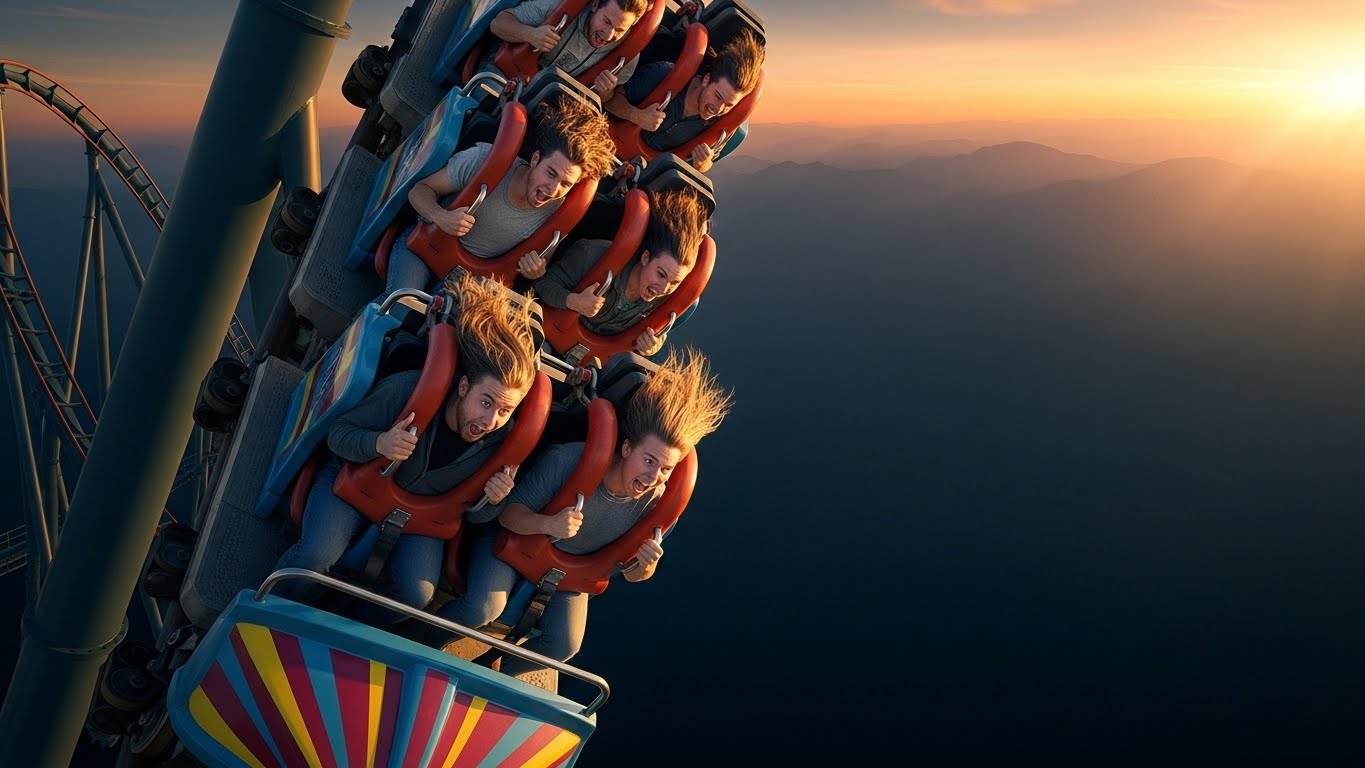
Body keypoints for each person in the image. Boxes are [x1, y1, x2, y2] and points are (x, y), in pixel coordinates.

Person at [432, 348, 732, 676]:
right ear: (627, 448)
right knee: (483, 607)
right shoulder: (569, 460)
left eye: (665, 469)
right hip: (518, 539)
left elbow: (631, 574)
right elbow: (508, 515)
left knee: (565, 644)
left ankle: (490, 676)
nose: (652, 477)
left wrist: (646, 567)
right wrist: (549, 524)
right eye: (648, 461)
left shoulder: (657, 505)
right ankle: (422, 641)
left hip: (566, 573)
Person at [274, 273, 540, 620]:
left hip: (420, 515)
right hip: (356, 481)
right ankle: (274, 607)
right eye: (486, 403)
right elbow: (337, 434)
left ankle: (345, 624)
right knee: (316, 555)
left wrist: (492, 500)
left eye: (505, 411)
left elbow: (473, 514)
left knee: (417, 595)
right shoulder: (410, 392)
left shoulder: (499, 442)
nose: (491, 421)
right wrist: (379, 442)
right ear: (463, 387)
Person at [385, 96, 616, 296]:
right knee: (402, 308)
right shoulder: (485, 160)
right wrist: (441, 216)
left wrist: (536, 269)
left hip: (469, 277)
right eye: (550, 173)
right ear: (535, 160)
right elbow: (419, 190)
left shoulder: (558, 210)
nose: (552, 189)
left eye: (565, 184)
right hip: (428, 245)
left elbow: (543, 258)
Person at [533, 187, 708, 356]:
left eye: (674, 282)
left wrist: (651, 346)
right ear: (646, 258)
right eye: (661, 274)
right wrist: (572, 300)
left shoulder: (668, 298)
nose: (663, 287)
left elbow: (659, 334)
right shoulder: (594, 255)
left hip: (595, 362)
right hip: (546, 334)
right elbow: (543, 282)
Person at [607, 28, 764, 173]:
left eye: (729, 105)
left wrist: (703, 162)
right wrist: (637, 115)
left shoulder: (722, 126)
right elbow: (610, 100)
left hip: (643, 173)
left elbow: (706, 165)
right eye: (717, 96)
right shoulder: (664, 75)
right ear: (706, 79)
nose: (718, 108)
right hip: (608, 141)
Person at [483, 0, 652, 96]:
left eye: (619, 30)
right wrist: (530, 34)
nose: (608, 35)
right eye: (606, 22)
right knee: (489, 100)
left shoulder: (626, 55)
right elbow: (497, 23)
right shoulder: (559, 5)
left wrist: (606, 91)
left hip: (550, 100)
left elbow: (608, 99)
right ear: (595, 5)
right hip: (508, 73)